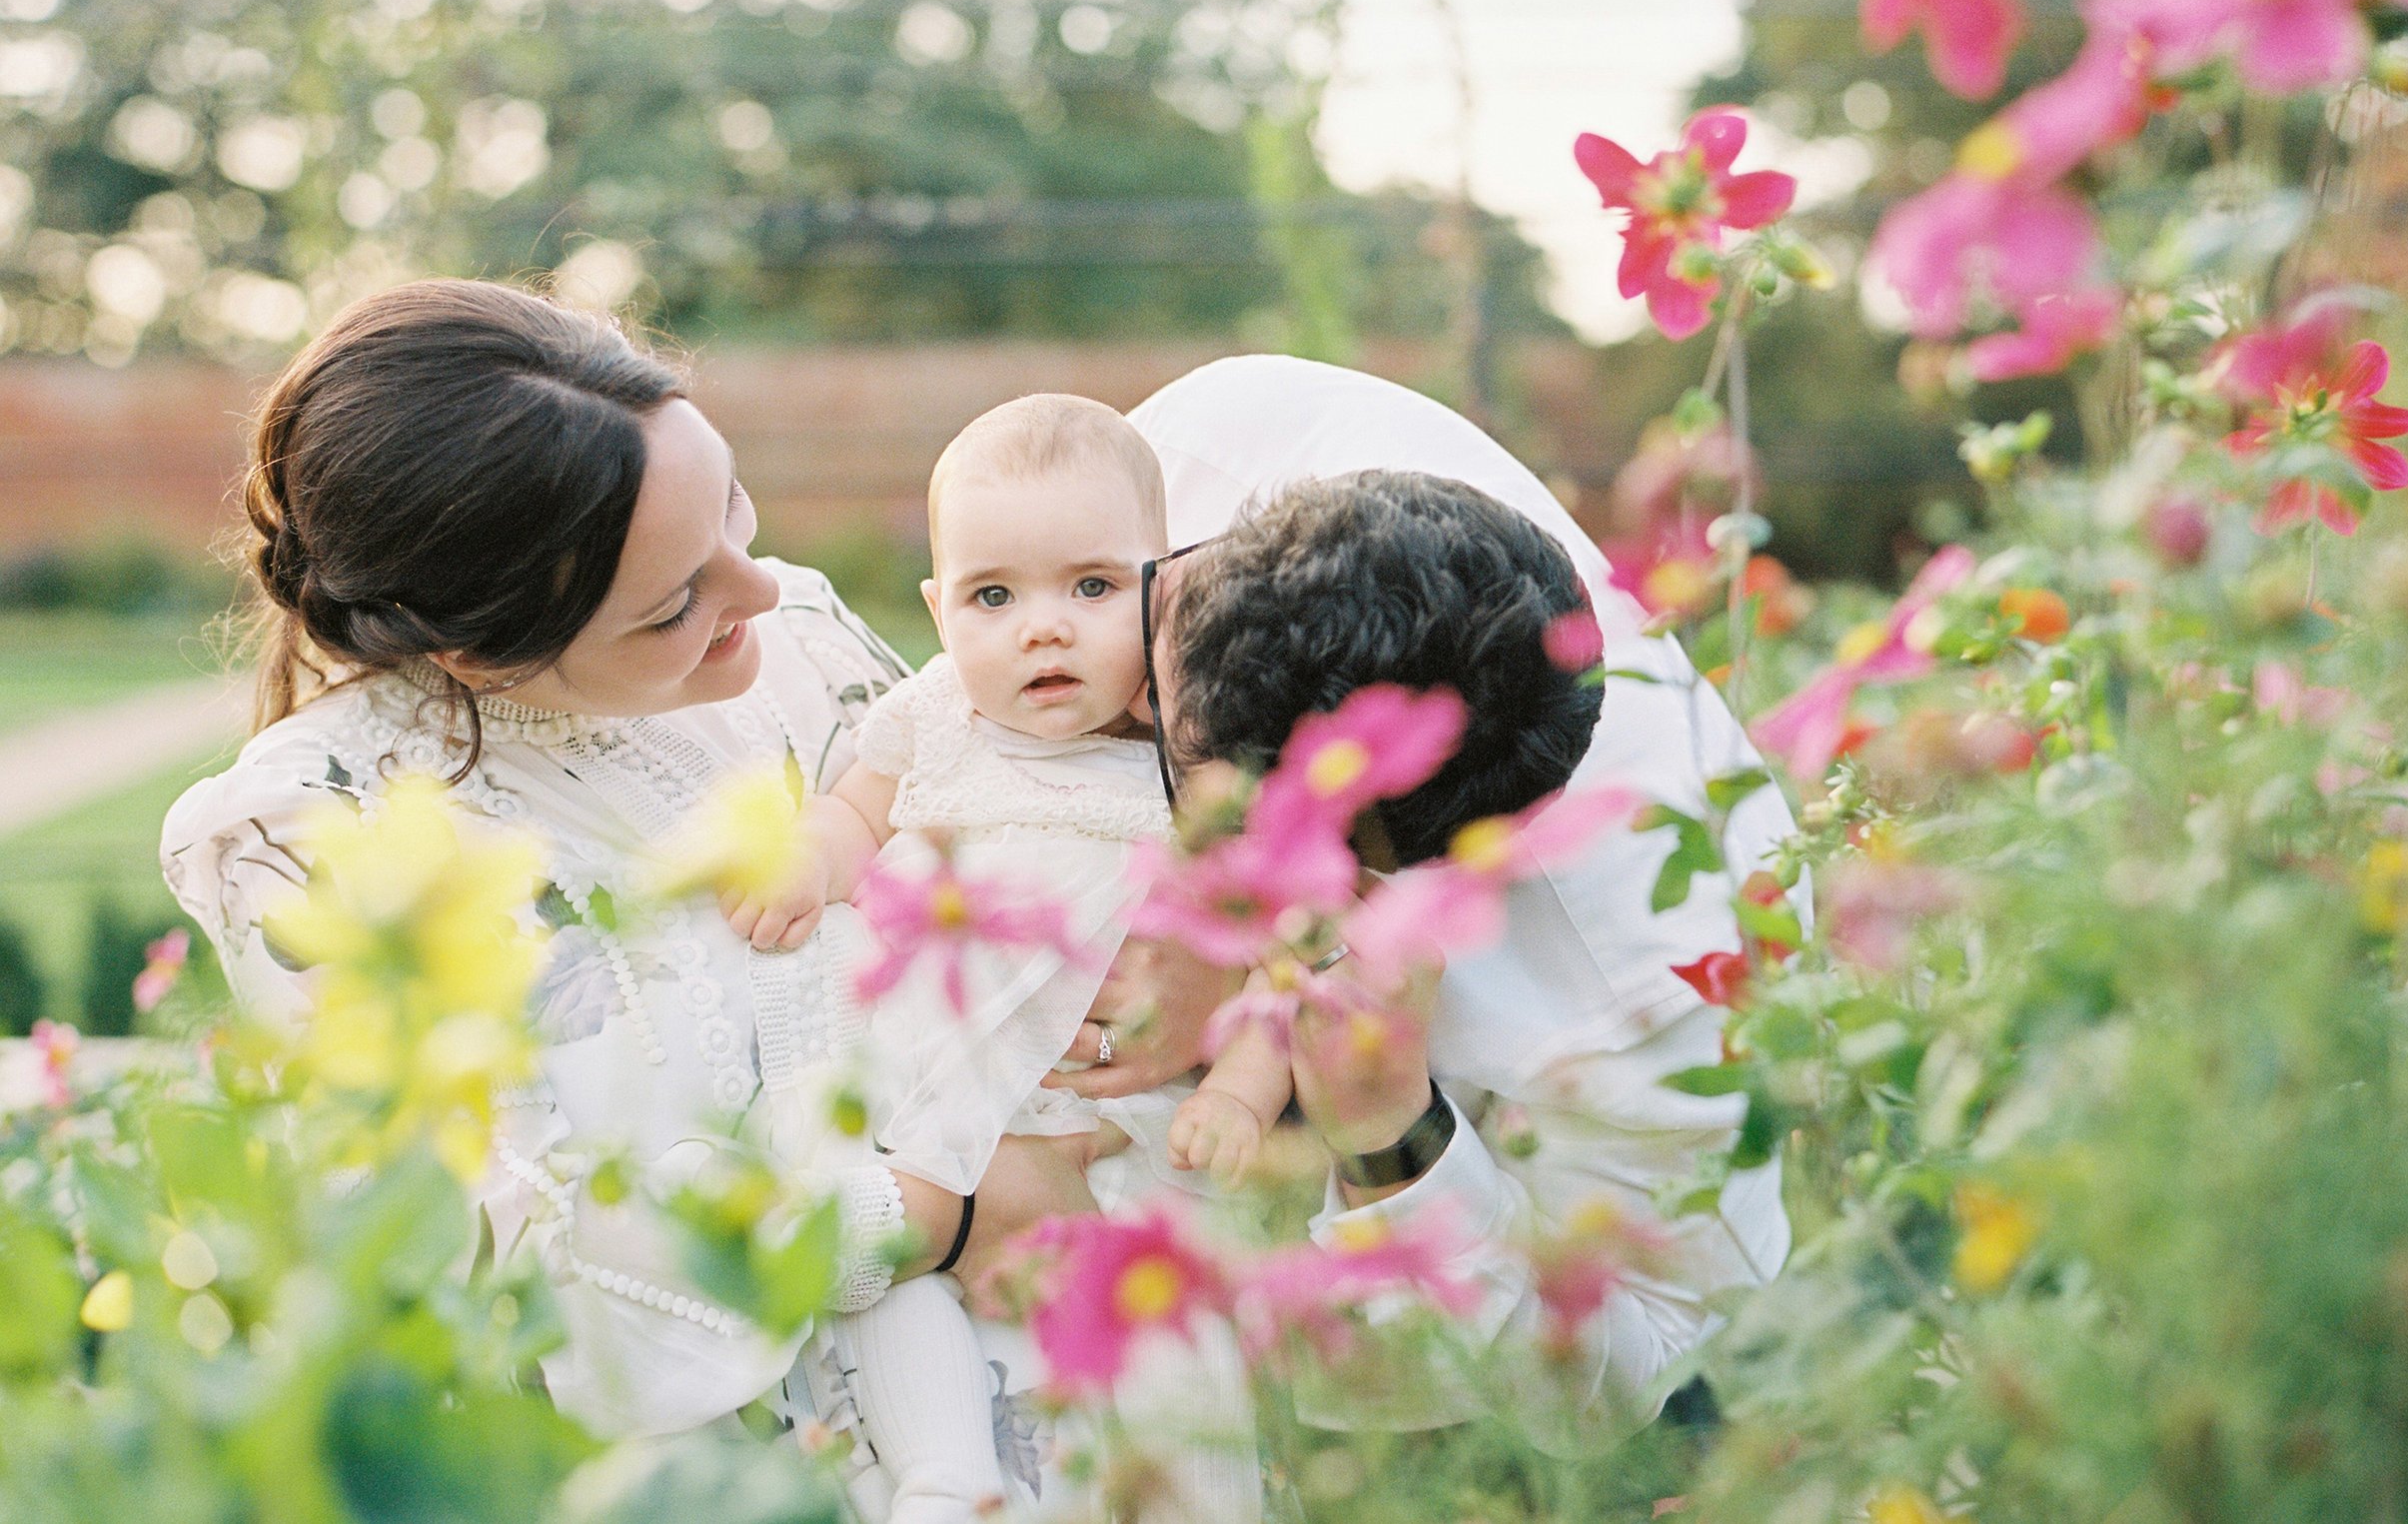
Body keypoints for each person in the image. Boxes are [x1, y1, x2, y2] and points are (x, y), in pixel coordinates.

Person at [157, 282, 1109, 1516]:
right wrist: (952, 1213)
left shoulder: (802, 643)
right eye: (672, 606)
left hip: (1063, 1409)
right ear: (474, 650)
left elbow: (1018, 845)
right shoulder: (317, 835)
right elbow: (538, 1268)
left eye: (734, 511)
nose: (760, 590)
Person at [1053, 353, 1804, 1446]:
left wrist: (1387, 1133)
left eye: (1158, 750)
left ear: (1366, 871)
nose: (1107, 699)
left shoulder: (1659, 998)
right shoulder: (1222, 435)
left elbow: (1646, 1363)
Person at [719, 393, 1279, 1522]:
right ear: (938, 610)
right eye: (993, 596)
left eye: (1091, 587)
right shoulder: (930, 717)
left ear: (1163, 589)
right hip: (928, 1098)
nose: (1044, 628)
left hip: (1107, 1139)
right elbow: (853, 818)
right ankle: (946, 1479)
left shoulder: (1192, 753)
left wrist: (1242, 1089)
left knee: (1176, 1364)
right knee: (887, 1280)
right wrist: (808, 862)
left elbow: (1272, 948)